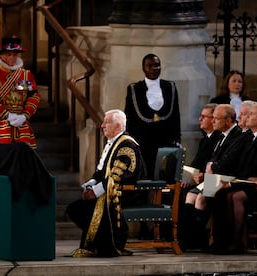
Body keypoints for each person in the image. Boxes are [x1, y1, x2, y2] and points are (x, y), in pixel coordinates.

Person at [66, 109, 146, 257]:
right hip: (108, 189)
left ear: (118, 126)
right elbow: (100, 172)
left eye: (106, 122)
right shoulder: (112, 143)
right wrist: (90, 185)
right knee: (74, 209)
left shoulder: (127, 146)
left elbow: (118, 177)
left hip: (125, 192)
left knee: (83, 209)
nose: (102, 125)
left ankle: (109, 245)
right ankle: (101, 243)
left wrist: (95, 192)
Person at [210, 101, 257, 254]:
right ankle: (221, 241)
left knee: (231, 196)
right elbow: (241, 165)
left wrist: (232, 183)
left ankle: (235, 242)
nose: (245, 118)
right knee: (215, 193)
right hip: (245, 180)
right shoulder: (251, 136)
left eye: (251, 114)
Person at [179, 104, 242, 251]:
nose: (213, 122)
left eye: (216, 118)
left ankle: (197, 239)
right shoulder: (221, 135)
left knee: (200, 197)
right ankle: (188, 239)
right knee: (189, 195)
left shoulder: (236, 135)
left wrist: (211, 168)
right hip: (214, 177)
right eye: (212, 118)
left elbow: (229, 161)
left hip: (225, 178)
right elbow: (206, 161)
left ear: (227, 121)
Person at [125, 53, 181, 178]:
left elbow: (176, 116)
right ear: (143, 68)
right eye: (149, 66)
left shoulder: (170, 87)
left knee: (165, 178)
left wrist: (177, 138)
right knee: (144, 176)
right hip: (143, 141)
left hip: (165, 140)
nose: (153, 69)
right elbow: (129, 116)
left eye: (156, 65)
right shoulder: (135, 88)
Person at [0, 37, 40, 149]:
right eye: (8, 54)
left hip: (21, 124)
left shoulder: (26, 75)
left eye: (15, 54)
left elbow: (33, 96)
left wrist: (25, 115)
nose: (12, 57)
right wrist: (7, 115)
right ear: (1, 55)